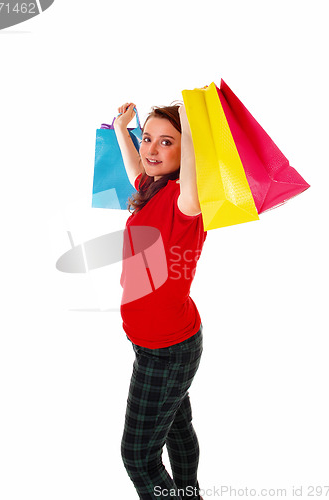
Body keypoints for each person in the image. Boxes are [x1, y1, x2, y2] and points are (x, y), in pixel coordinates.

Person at [114, 102, 207, 500]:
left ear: (185, 151)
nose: (151, 149)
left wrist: (192, 121)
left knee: (137, 457)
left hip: (166, 349)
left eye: (166, 142)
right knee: (176, 427)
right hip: (153, 342)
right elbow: (138, 169)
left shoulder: (185, 202)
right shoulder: (153, 189)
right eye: (147, 138)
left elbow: (191, 172)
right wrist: (123, 130)